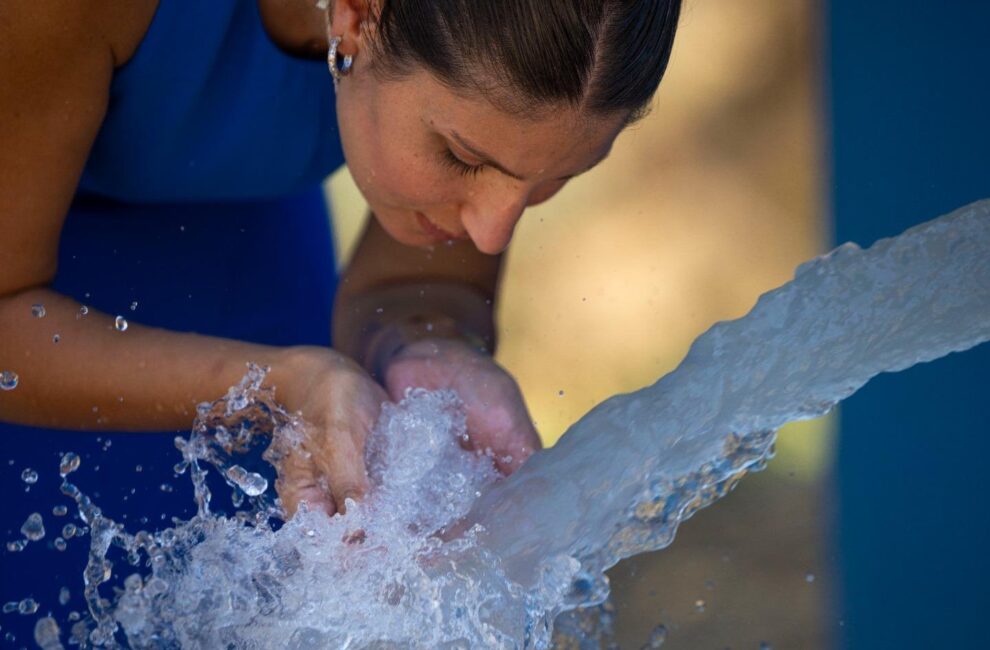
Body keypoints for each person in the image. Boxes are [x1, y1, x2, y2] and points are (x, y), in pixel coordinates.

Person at [0, 0, 681, 637]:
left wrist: (430, 347)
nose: (495, 232)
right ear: (356, 17)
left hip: (247, 255)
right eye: (465, 158)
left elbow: (418, 287)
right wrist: (276, 383)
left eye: (550, 181)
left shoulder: (496, 49)